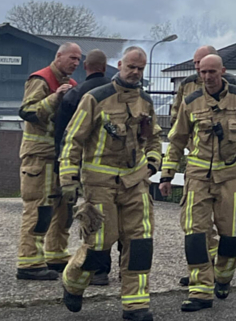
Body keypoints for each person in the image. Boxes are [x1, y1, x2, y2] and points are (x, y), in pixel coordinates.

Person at [58, 46, 160, 321]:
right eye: (131, 67)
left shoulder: (145, 102)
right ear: (119, 65)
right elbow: (73, 139)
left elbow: (154, 139)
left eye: (140, 68)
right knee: (99, 243)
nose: (136, 73)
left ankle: (135, 306)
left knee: (139, 243)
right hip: (100, 184)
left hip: (135, 184)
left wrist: (152, 162)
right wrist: (68, 177)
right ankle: (73, 282)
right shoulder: (96, 98)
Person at [160, 54, 236, 311]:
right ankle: (200, 292)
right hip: (198, 178)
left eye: (212, 72)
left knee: (231, 236)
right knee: (195, 234)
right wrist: (167, 174)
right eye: (203, 72)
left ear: (223, 72)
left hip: (231, 179)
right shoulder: (191, 102)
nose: (207, 77)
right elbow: (176, 140)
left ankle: (223, 276)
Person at [16, 42, 81, 280]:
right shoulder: (41, 80)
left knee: (64, 208)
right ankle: (29, 262)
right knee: (39, 208)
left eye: (78, 60)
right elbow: (27, 111)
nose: (75, 63)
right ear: (59, 56)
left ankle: (56, 254)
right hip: (39, 156)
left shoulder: (73, 85)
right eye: (72, 58)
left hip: (61, 157)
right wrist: (54, 98)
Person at [53, 48, 111, 287]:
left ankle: (93, 270)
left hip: (89, 170)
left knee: (93, 222)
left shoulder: (75, 94)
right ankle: (113, 271)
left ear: (86, 66)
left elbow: (64, 135)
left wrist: (64, 169)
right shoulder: (115, 93)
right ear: (106, 68)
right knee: (119, 224)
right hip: (119, 171)